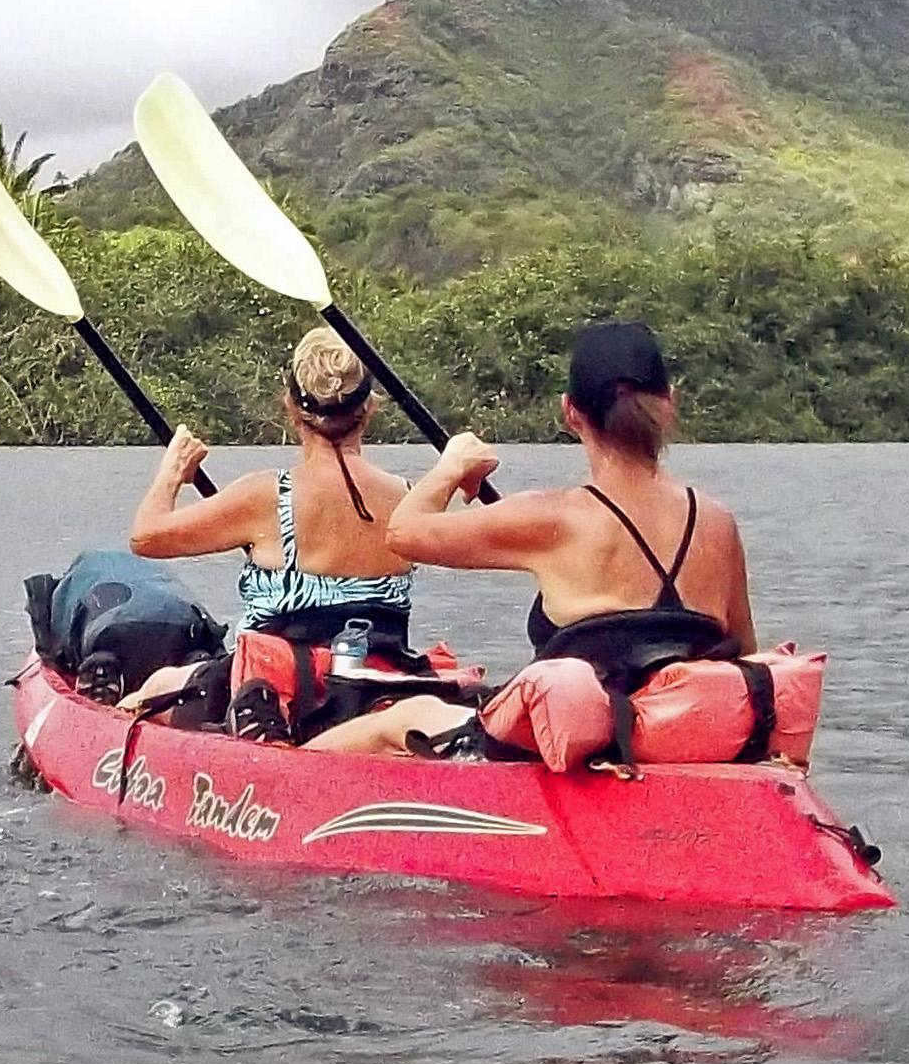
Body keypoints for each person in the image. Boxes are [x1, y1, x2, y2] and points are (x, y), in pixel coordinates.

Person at [304, 320, 756, 760]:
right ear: (670, 403)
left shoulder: (553, 516)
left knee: (406, 717)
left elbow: (404, 532)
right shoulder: (717, 523)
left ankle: (267, 785)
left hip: (583, 748)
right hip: (680, 739)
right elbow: (744, 652)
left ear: (571, 412)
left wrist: (453, 465)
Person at [121, 327, 416, 728]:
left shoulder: (265, 496)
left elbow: (146, 536)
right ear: (370, 409)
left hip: (276, 689)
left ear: (291, 409)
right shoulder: (409, 499)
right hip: (377, 684)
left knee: (155, 688)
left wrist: (172, 472)